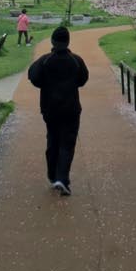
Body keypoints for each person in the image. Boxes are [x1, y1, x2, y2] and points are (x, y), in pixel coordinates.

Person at [26, 25, 89, 196]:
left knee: (53, 140)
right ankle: (62, 178)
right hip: (71, 109)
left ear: (53, 41)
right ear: (68, 41)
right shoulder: (76, 60)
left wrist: (47, 84)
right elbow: (83, 80)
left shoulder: (45, 60)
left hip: (49, 108)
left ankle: (53, 175)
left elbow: (33, 76)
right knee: (67, 143)